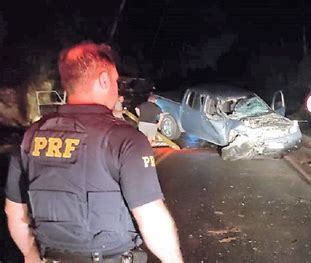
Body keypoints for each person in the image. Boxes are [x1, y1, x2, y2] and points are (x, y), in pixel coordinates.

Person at [4, 42, 183, 263]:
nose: (118, 89)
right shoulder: (125, 139)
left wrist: (31, 256)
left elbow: (15, 213)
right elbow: (151, 218)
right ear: (104, 80)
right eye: (116, 81)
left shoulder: (30, 137)